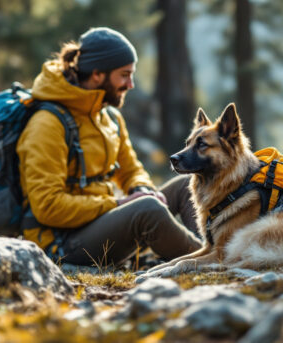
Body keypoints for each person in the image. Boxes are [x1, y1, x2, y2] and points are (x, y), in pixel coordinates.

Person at [16, 27, 202, 267]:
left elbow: (130, 169)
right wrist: (117, 204)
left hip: (101, 222)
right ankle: (213, 260)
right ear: (97, 74)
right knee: (148, 210)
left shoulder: (109, 117)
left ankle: (208, 247)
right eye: (124, 75)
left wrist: (142, 187)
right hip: (63, 243)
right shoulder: (47, 124)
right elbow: (47, 207)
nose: (131, 84)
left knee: (187, 184)